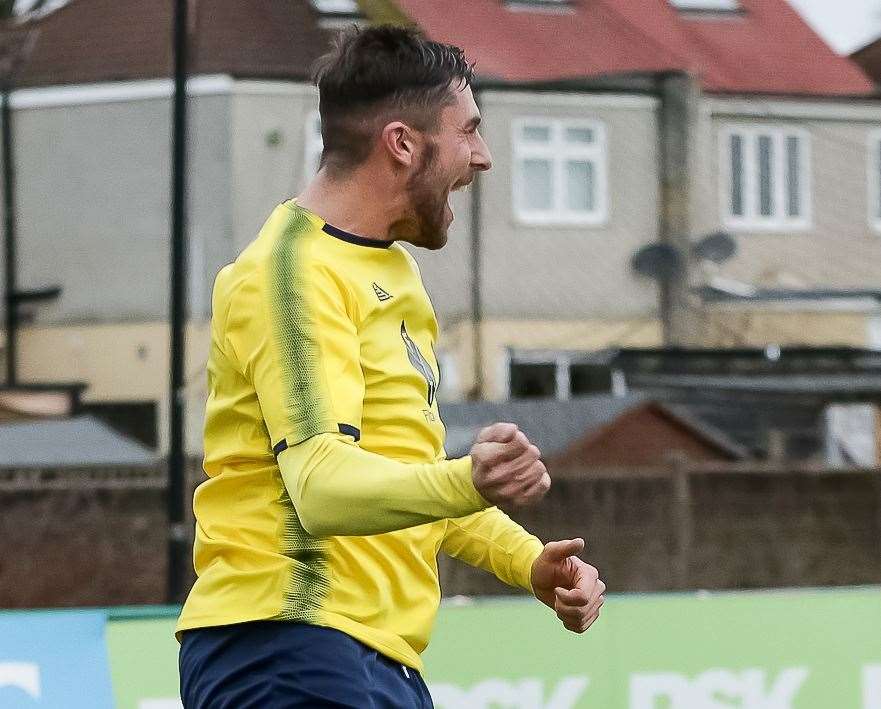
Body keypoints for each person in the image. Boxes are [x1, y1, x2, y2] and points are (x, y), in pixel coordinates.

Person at [177, 24, 605, 708]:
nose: (483, 156)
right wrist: (467, 478)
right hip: (284, 637)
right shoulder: (290, 274)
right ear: (403, 143)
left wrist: (526, 559)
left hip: (375, 657)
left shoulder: (392, 274)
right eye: (468, 130)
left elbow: (408, 480)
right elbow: (319, 484)